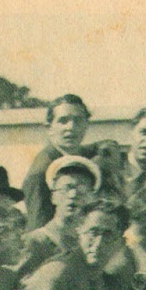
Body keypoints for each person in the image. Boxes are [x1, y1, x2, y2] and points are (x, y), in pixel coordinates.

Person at [22, 94, 98, 230]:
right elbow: (38, 228)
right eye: (63, 121)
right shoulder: (41, 172)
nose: (71, 127)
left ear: (86, 125)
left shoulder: (78, 158)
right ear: (49, 128)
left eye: (78, 121)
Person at [20, 154, 102, 277]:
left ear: (91, 198)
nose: (73, 195)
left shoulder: (92, 245)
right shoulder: (34, 242)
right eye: (66, 189)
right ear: (53, 197)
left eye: (81, 190)